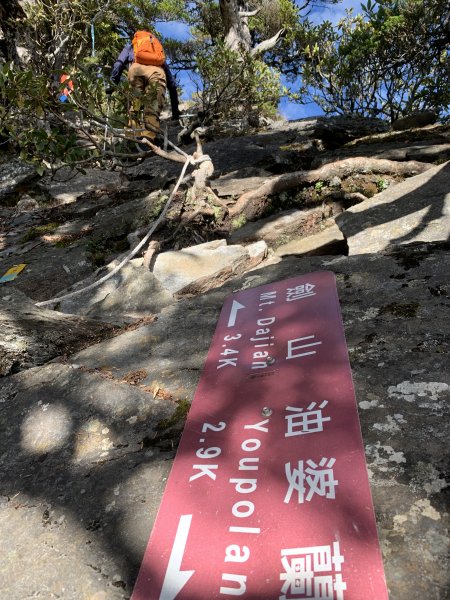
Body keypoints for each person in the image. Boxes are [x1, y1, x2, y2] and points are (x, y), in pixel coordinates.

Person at [108, 34, 180, 141]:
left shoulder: (131, 47)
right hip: (157, 71)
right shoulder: (156, 50)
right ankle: (149, 138)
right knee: (152, 106)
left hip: (136, 70)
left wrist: (113, 84)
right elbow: (172, 84)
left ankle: (131, 139)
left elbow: (118, 64)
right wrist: (175, 113)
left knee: (135, 105)